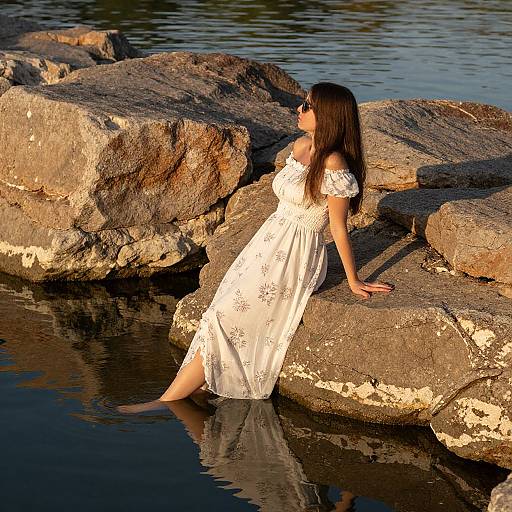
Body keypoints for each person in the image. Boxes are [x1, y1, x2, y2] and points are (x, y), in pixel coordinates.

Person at [118, 82, 394, 411]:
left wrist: (353, 279)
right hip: (265, 243)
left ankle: (165, 402)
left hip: (295, 254)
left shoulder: (335, 163)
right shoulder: (301, 147)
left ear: (328, 116)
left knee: (224, 316)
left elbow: (337, 226)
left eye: (307, 106)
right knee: (218, 311)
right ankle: (198, 385)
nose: (299, 109)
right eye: (303, 103)